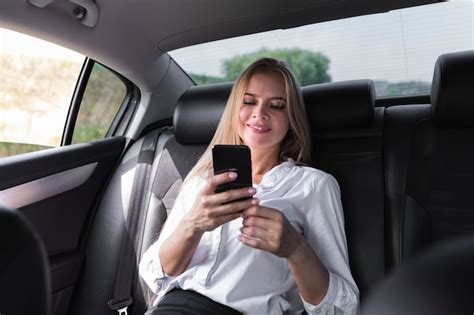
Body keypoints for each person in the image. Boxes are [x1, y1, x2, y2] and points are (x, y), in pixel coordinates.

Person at [139, 58, 359, 314]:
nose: (260, 113)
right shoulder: (201, 182)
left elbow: (341, 308)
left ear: (292, 118)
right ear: (235, 110)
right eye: (249, 101)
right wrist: (193, 224)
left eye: (276, 105)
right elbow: (156, 273)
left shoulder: (314, 186)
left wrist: (296, 249)